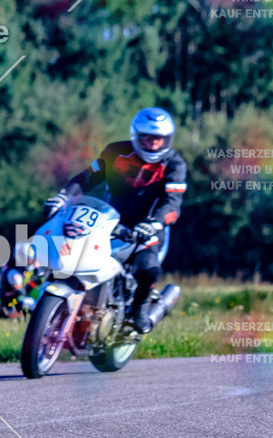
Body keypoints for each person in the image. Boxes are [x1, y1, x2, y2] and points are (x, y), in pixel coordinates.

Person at [43, 107, 187, 332]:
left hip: (147, 228)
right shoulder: (116, 151)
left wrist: (155, 223)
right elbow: (87, 177)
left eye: (159, 140)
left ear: (168, 139)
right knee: (72, 253)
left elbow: (173, 202)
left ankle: (141, 312)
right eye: (148, 138)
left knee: (148, 269)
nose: (153, 145)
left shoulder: (174, 164)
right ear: (136, 136)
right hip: (106, 219)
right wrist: (63, 197)